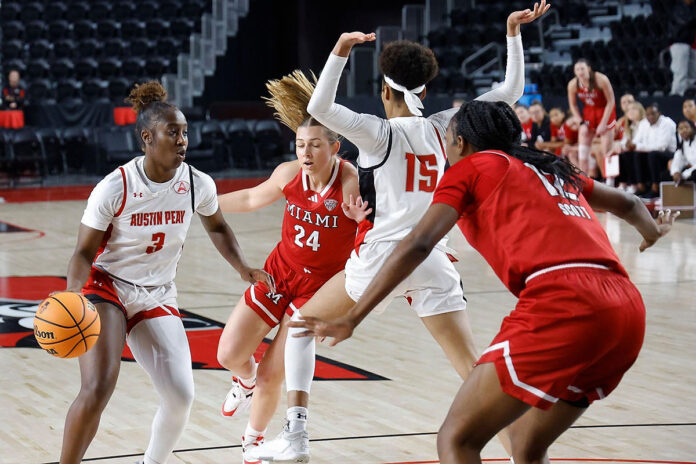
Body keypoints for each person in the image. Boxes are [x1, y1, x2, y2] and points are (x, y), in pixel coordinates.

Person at [291, 100, 678, 464]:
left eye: (447, 141)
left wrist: (355, 316)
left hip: (564, 300)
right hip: (626, 309)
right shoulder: (552, 167)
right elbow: (629, 204)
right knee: (526, 446)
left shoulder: (471, 168)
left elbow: (420, 242)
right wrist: (650, 233)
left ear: (460, 142)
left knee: (456, 439)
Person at [246, 2, 550, 462]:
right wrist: (512, 32)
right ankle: (520, 456)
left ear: (384, 89)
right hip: (433, 258)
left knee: (302, 323)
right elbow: (510, 89)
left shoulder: (377, 133)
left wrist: (340, 50)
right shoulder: (446, 124)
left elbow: (318, 106)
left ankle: (296, 438)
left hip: (383, 257)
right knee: (471, 368)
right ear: (425, 87)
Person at [58, 81, 272, 464]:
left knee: (180, 397)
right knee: (99, 387)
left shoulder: (196, 183)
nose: (182, 140)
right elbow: (83, 252)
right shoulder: (115, 186)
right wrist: (73, 294)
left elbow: (218, 227)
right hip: (107, 288)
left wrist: (243, 267)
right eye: (173, 132)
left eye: (185, 132)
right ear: (147, 137)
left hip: (157, 292)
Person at [215, 70, 365, 464]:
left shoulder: (349, 181)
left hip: (317, 291)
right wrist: (205, 202)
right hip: (280, 273)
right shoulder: (288, 174)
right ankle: (241, 382)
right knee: (229, 354)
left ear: (335, 148)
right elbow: (249, 200)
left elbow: (370, 229)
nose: (306, 152)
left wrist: (362, 221)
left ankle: (253, 442)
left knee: (271, 374)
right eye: (300, 144)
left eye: (315, 145)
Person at [567, 58, 616, 179]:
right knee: (583, 146)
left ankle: (611, 183)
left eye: (582, 68)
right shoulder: (573, 84)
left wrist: (604, 123)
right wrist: (580, 121)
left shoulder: (601, 79)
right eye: (577, 69)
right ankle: (584, 181)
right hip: (589, 111)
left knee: (607, 151)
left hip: (605, 110)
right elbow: (572, 105)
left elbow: (611, 101)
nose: (580, 72)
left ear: (588, 69)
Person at [629, 103, 677, 198]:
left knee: (652, 154)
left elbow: (661, 147)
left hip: (670, 154)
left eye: (653, 114)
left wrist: (638, 147)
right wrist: (634, 146)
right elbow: (635, 141)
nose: (650, 117)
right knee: (636, 155)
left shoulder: (667, 123)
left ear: (659, 113)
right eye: (648, 114)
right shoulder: (644, 123)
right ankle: (641, 187)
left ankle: (655, 187)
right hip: (652, 152)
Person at [669, 0, 696, 96]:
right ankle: (677, 94)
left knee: (692, 73)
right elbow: (685, 21)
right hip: (679, 42)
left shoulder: (692, 6)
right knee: (680, 72)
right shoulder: (678, 7)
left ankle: (690, 93)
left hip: (690, 42)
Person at [671, 119, 696, 184]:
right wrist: (676, 172)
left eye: (686, 127)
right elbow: (678, 159)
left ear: (693, 128)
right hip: (691, 169)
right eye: (680, 129)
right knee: (665, 175)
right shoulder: (683, 143)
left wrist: (684, 175)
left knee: (694, 174)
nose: (684, 131)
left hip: (693, 171)